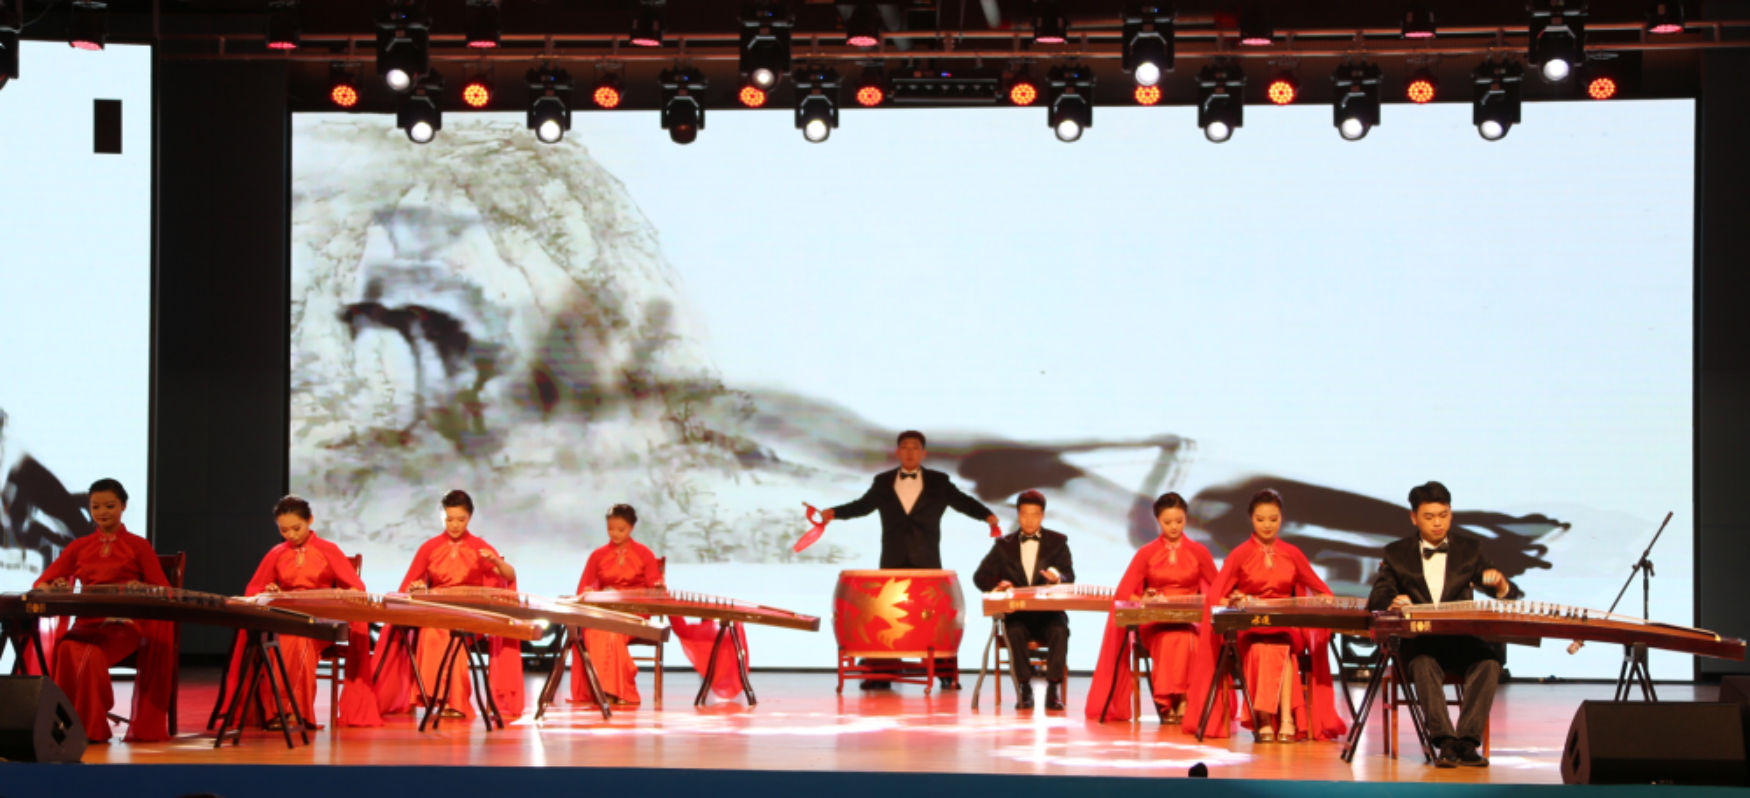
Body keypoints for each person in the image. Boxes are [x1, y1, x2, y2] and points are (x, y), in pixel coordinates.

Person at [815, 430, 1000, 689]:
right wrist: (834, 512)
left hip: (927, 558)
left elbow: (963, 502)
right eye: (905, 447)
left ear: (923, 453)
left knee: (933, 615)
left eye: (915, 447)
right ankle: (881, 673)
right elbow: (862, 506)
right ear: (897, 452)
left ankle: (944, 672)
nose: (910, 452)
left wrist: (987, 516)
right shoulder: (883, 481)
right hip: (893, 557)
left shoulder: (939, 481)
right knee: (885, 612)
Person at [1368, 481, 1520, 768]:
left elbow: (1508, 593)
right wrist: (1392, 601)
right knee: (1424, 664)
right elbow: (1377, 597)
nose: (1438, 523)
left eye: (1444, 515)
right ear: (1414, 517)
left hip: (1461, 638)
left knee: (1489, 663)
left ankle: (1467, 742)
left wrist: (1500, 585)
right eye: (1429, 517)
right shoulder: (1396, 553)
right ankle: (1445, 742)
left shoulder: (1470, 549)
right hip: (1420, 641)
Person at [1188, 489, 1346, 742]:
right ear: (1251, 519)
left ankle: (1271, 720)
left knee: (1278, 646)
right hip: (1250, 627)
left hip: (1285, 627)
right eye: (1260, 519)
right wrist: (1237, 601)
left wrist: (1322, 600)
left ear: (1281, 518)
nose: (1267, 525)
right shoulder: (1240, 554)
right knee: (1265, 649)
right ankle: (1277, 719)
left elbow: (1322, 590)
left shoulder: (1292, 553)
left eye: (1273, 519)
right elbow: (1215, 598)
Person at [31, 479, 175, 742]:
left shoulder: (139, 545)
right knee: (67, 647)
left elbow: (164, 590)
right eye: (95, 506)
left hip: (123, 626)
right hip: (86, 624)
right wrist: (55, 587)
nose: (102, 512)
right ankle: (73, 721)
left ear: (123, 506)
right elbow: (42, 583)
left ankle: (87, 728)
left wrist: (141, 588)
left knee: (89, 653)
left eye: (109, 506)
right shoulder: (79, 546)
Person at [225, 496, 381, 728]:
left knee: (299, 641)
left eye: (296, 528)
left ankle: (291, 713)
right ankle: (286, 712)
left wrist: (345, 593)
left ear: (310, 520)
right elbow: (255, 589)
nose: (291, 535)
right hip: (287, 621)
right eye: (284, 530)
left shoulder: (328, 550)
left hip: (322, 624)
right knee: (288, 640)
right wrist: (271, 591)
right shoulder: (276, 553)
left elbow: (356, 588)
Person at [378, 490, 523, 720]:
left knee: (451, 633)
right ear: (442, 516)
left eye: (461, 519)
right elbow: (408, 587)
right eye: (449, 519)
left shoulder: (479, 547)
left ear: (469, 517)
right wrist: (416, 589)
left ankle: (455, 702)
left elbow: (509, 575)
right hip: (436, 613)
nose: (454, 525)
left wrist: (496, 561)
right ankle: (438, 699)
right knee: (431, 632)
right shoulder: (429, 547)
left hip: (470, 615)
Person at [1084, 492, 1219, 724]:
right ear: (1158, 521)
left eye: (1179, 521)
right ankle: (1167, 700)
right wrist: (1143, 599)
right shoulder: (1147, 552)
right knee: (1168, 638)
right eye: (1167, 522)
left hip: (1190, 619)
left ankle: (1183, 699)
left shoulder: (1199, 551)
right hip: (1155, 621)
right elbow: (1124, 592)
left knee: (1189, 637)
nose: (1174, 527)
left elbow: (1218, 587)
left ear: (1186, 518)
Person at [972, 490, 1076, 711]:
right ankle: (1024, 689)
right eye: (1025, 514)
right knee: (1015, 630)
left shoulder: (1058, 542)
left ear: (1042, 516)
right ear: (1018, 515)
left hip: (1049, 613)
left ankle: (1053, 690)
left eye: (1035, 515)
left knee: (1059, 630)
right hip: (1017, 613)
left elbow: (1069, 575)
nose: (1029, 520)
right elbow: (980, 576)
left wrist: (1058, 577)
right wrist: (999, 586)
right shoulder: (1003, 545)